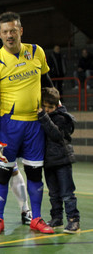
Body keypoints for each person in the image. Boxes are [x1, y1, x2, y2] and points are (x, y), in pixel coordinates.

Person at [0, 11, 55, 235]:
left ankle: (37, 218)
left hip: (35, 125)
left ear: (20, 30)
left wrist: (56, 108)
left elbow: (47, 83)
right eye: (5, 32)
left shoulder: (36, 51)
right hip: (8, 126)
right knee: (2, 173)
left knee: (34, 173)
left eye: (13, 30)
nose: (10, 35)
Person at [38, 87, 80, 234]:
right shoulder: (42, 117)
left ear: (57, 106)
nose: (47, 110)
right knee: (53, 193)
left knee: (67, 193)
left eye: (50, 107)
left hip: (62, 161)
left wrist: (43, 116)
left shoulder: (62, 118)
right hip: (49, 162)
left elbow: (55, 134)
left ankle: (73, 220)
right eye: (44, 106)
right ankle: (56, 218)